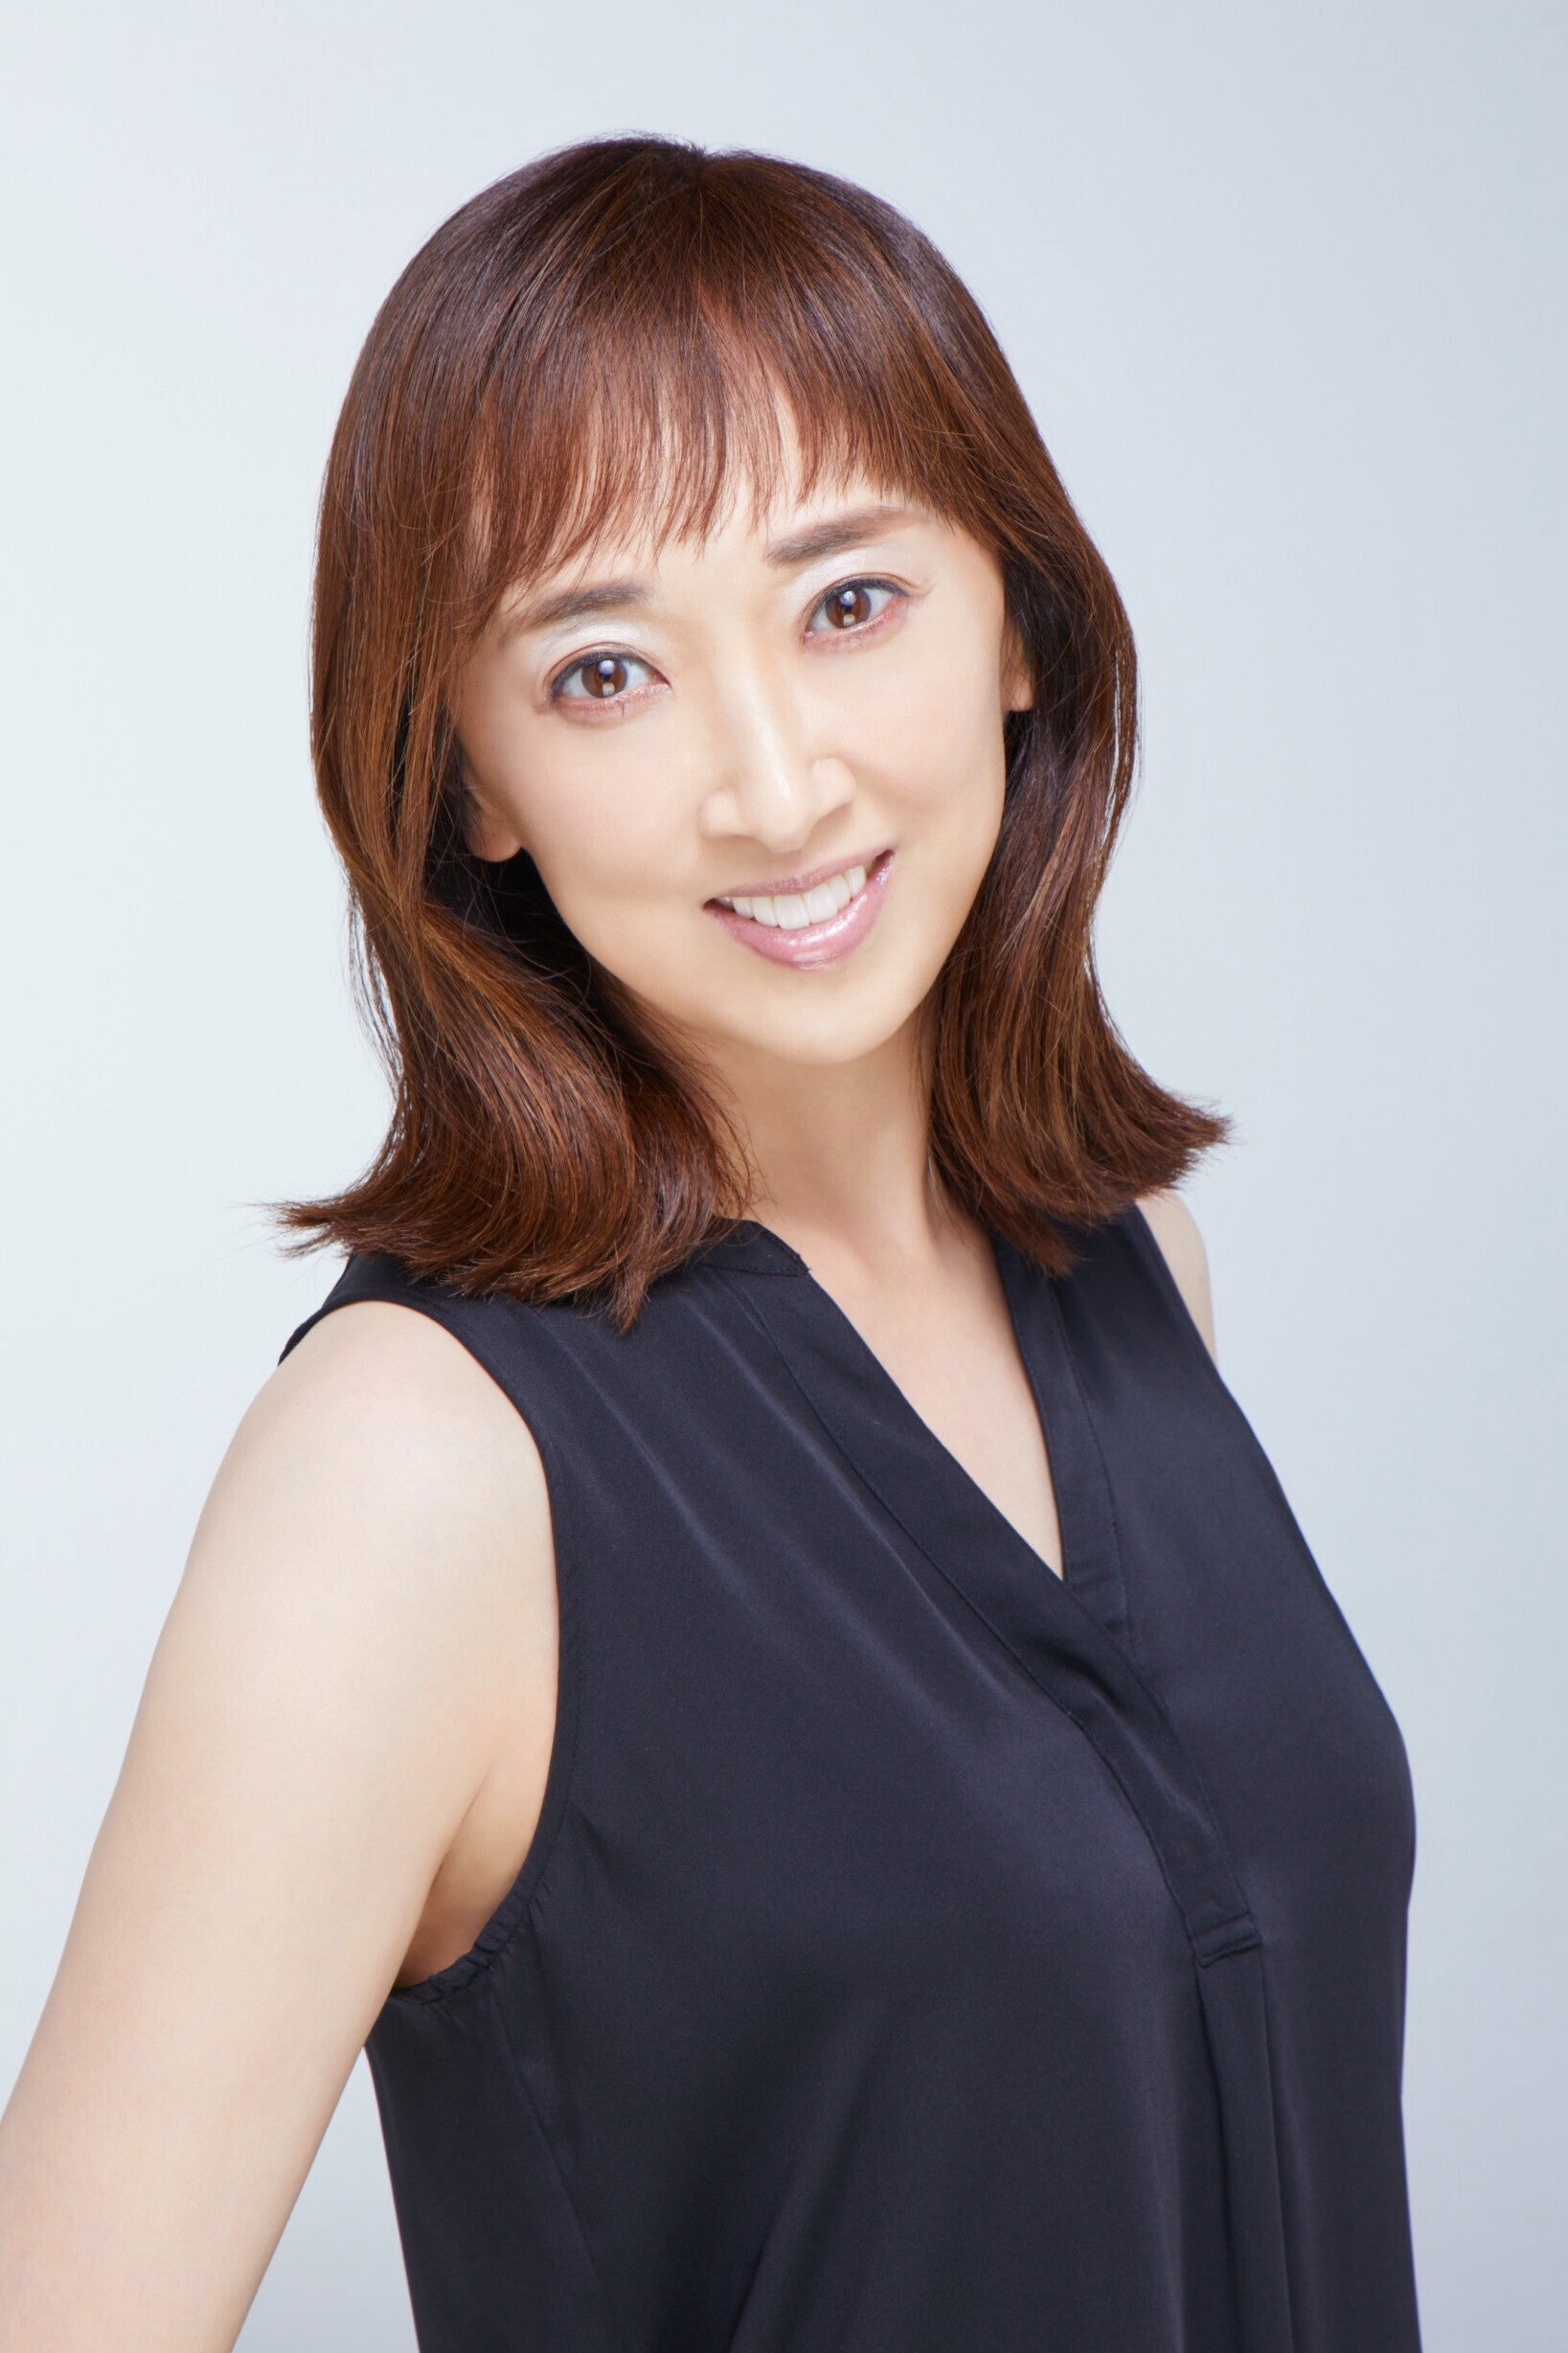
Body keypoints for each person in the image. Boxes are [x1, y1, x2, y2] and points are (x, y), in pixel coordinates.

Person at [0, 135, 1423, 2352]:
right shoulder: (415, 1468)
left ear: (1020, 619)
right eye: (603, 671)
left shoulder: (1134, 1265)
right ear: (471, 779)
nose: (771, 783)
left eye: (847, 604)